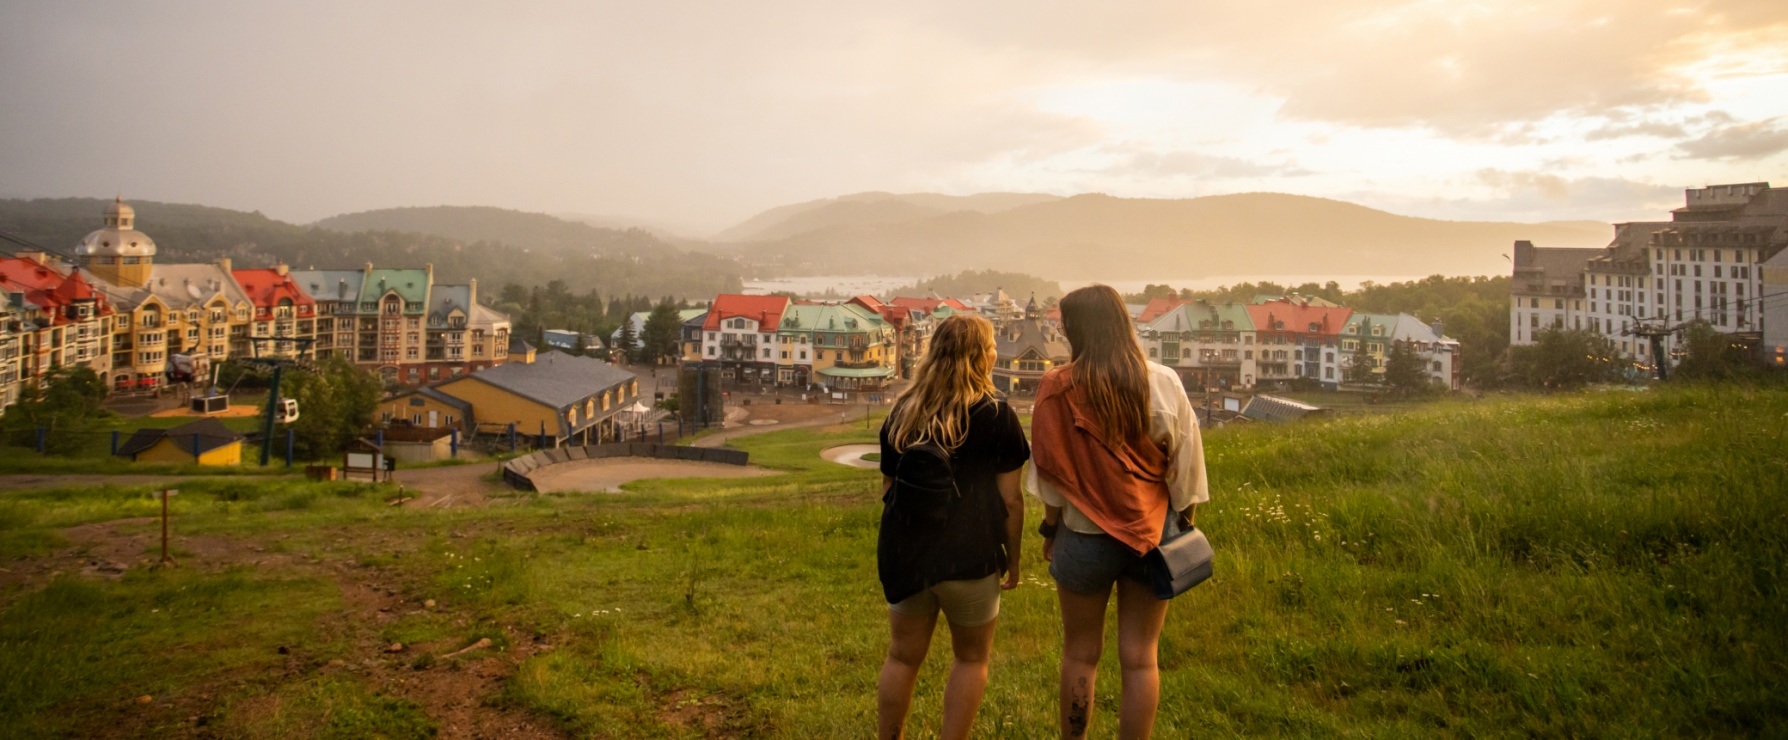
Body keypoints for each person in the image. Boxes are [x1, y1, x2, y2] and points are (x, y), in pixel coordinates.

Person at [1028, 284, 1208, 739]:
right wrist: (1180, 523)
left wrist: (1050, 530)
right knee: (1141, 656)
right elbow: (1186, 473)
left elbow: (1049, 478)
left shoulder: (1057, 387)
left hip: (1082, 536)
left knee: (1080, 653)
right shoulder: (1164, 381)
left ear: (1075, 330)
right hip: (1153, 535)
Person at [876, 313, 1029, 740]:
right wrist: (1013, 563)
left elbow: (889, 489)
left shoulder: (902, 412)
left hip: (906, 556)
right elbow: (1012, 501)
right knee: (970, 660)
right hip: (971, 558)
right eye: (993, 345)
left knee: (902, 658)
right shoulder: (997, 415)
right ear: (983, 356)